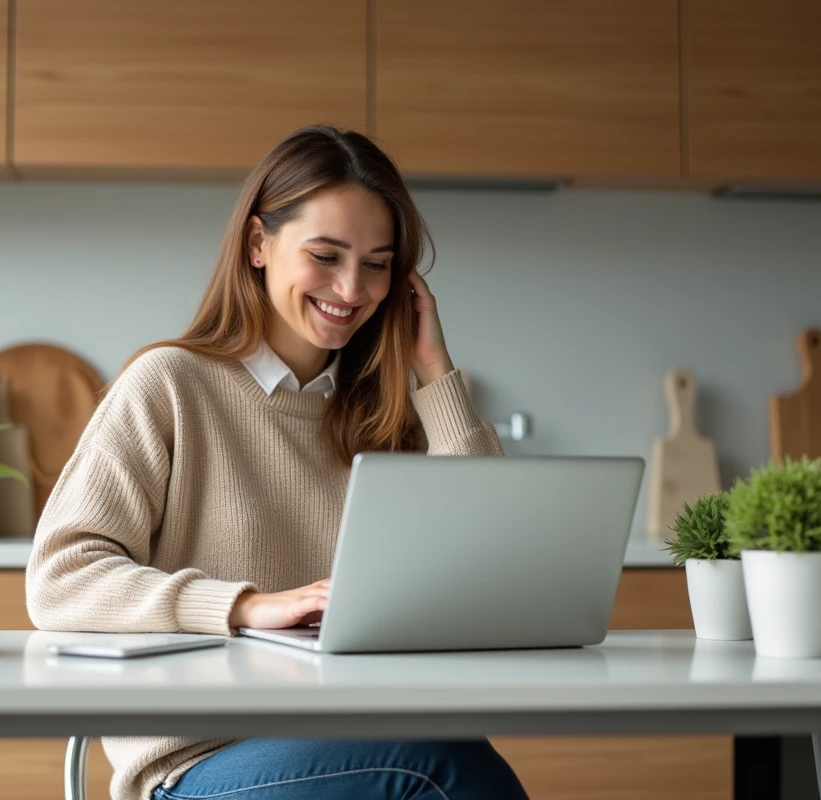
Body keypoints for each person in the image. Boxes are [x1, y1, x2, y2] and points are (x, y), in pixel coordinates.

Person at [26, 124, 528, 800]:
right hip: (200, 764)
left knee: (442, 752)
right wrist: (244, 606)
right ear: (258, 244)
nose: (351, 288)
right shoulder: (169, 384)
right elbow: (59, 578)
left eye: (377, 264)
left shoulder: (385, 417)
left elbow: (494, 562)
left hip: (358, 740)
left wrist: (435, 372)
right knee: (438, 763)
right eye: (326, 255)